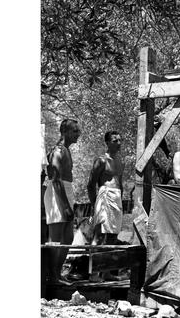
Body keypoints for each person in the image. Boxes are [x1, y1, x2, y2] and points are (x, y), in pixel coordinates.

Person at [44, 118, 81, 285]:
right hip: (57, 193)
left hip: (66, 190)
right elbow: (56, 180)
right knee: (57, 237)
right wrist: (65, 206)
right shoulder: (58, 151)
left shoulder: (66, 150)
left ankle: (57, 274)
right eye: (74, 131)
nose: (78, 134)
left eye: (78, 131)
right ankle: (52, 276)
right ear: (64, 131)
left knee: (68, 237)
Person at [87, 130, 125, 280]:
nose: (119, 143)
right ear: (108, 143)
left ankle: (107, 272)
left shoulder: (120, 160)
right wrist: (93, 203)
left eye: (120, 140)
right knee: (99, 234)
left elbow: (120, 181)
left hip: (117, 197)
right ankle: (93, 273)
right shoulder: (101, 160)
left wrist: (121, 197)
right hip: (105, 195)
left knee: (113, 236)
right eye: (115, 140)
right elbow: (90, 184)